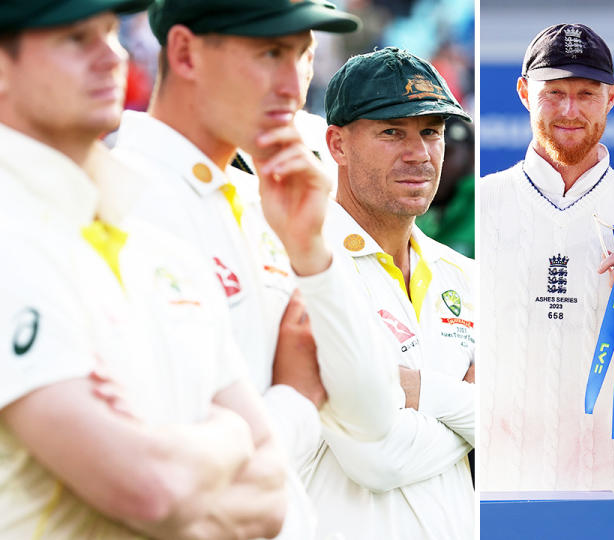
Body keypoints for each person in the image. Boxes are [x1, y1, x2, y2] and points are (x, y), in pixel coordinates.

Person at [0, 1, 290, 537]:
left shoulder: (157, 246)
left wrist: (172, 477)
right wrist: (228, 435)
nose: (112, 56)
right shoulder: (11, 239)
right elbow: (150, 489)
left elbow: (275, 492)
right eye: (73, 38)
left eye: (110, 31)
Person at [113, 0, 403, 535]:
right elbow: (171, 472)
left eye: (305, 55)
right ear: (184, 53)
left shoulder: (274, 200)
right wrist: (295, 401)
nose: (293, 86)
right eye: (270, 53)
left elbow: (374, 415)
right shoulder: (119, 200)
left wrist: (313, 254)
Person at [476, 23, 614, 499]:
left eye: (586, 94)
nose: (570, 110)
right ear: (524, 92)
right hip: (492, 493)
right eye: (554, 93)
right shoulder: (482, 206)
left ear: (611, 97)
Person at [291, 46, 475, 539]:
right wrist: (471, 405)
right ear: (338, 145)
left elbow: (514, 429)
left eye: (430, 132)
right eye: (392, 131)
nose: (418, 153)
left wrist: (418, 391)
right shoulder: (306, 267)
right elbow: (378, 458)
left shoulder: (464, 276)